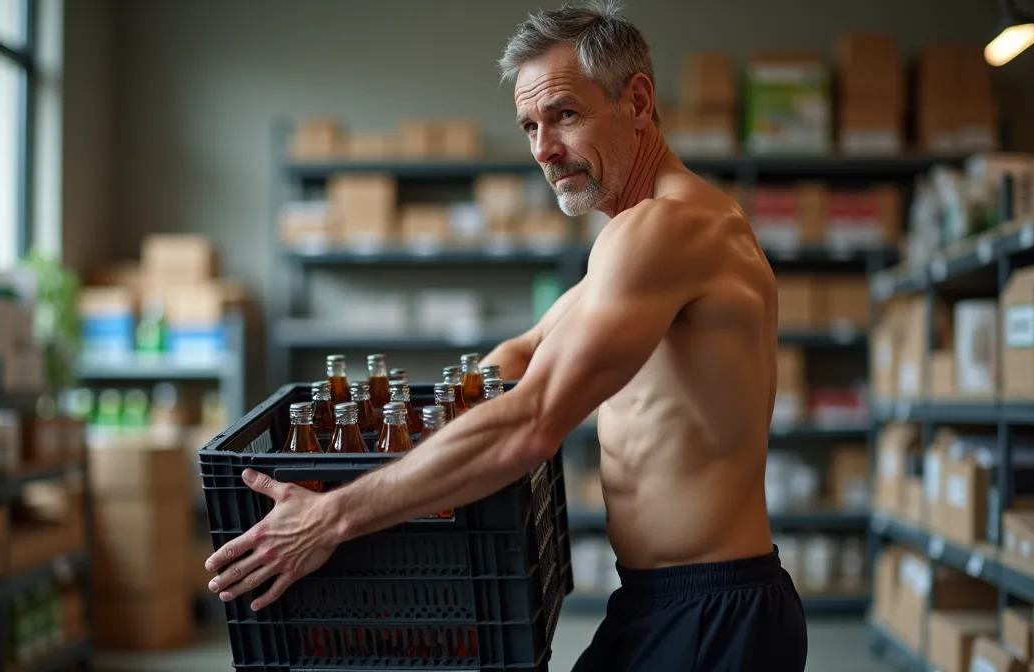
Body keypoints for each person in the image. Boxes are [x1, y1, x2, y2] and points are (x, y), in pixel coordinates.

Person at [204, 2, 806, 669]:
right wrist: (390, 450)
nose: (543, 149)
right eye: (529, 125)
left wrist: (336, 515)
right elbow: (519, 355)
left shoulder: (667, 229)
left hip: (713, 611)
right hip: (662, 601)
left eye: (565, 115)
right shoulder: (638, 236)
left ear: (636, 101)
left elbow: (531, 423)